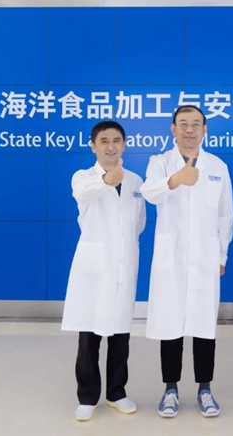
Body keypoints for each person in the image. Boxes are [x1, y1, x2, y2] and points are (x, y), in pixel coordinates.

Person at [139, 105, 233, 419]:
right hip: (172, 257)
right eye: (183, 124)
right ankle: (170, 389)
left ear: (205, 130)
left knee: (204, 325)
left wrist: (221, 255)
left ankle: (205, 389)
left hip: (206, 257)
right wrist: (174, 180)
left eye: (196, 124)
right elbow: (149, 192)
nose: (189, 129)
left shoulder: (217, 166)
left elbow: (225, 215)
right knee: (171, 324)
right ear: (173, 129)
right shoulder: (160, 162)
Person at [61, 120, 146, 422]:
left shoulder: (135, 180)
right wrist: (107, 180)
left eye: (117, 141)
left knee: (121, 335)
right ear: (93, 146)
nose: (111, 147)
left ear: (124, 144)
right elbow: (86, 194)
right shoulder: (83, 178)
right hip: (95, 268)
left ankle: (116, 393)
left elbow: (138, 224)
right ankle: (87, 397)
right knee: (90, 335)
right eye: (105, 141)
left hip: (123, 266)